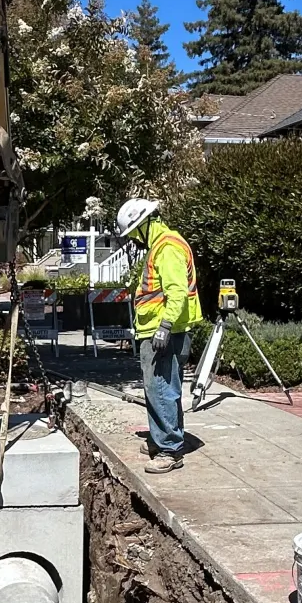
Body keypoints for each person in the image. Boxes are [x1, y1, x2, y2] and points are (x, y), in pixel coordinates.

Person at [116, 197, 202, 474]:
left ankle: (170, 449)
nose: (133, 240)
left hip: (162, 332)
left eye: (133, 234)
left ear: (143, 226)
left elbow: (176, 291)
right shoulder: (165, 244)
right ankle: (162, 438)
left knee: (162, 390)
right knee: (162, 390)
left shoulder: (166, 247)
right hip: (163, 330)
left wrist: (164, 327)